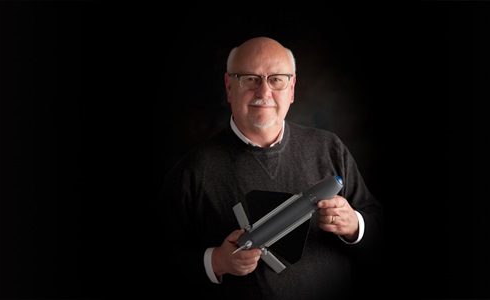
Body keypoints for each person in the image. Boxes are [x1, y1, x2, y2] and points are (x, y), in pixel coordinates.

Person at [159, 36, 384, 299]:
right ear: (229, 87)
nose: (264, 92)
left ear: (292, 89)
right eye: (250, 78)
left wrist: (355, 225)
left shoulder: (329, 147)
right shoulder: (192, 172)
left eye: (276, 79)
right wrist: (217, 262)